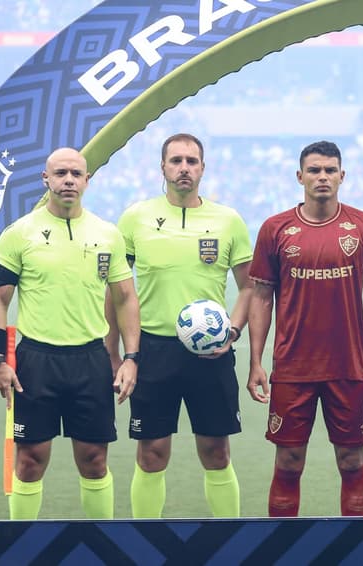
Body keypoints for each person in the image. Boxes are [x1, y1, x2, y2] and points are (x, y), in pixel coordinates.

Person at [0, 147, 140, 520]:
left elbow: (126, 298)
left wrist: (131, 358)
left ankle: (104, 541)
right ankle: (19, 546)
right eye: (61, 173)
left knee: (94, 459)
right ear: (46, 179)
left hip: (91, 360)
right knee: (31, 460)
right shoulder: (20, 233)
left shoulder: (107, 234)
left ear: (87, 180)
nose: (68, 180)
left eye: (76, 174)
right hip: (37, 360)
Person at [247, 140, 363, 517]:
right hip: (293, 369)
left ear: (342, 176)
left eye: (330, 170)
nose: (322, 177)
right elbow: (261, 297)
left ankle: (357, 549)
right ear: (300, 177)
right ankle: (281, 549)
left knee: (350, 459)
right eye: (314, 170)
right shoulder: (274, 229)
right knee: (289, 461)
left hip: (347, 367)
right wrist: (255, 362)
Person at [108, 133, 253, 518]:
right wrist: (118, 354)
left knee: (216, 451)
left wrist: (233, 332)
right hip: (154, 351)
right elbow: (117, 294)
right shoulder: (136, 218)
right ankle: (144, 541)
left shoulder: (228, 220)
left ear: (203, 168)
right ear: (163, 168)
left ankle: (229, 539)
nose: (184, 168)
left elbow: (251, 287)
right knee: (152, 452)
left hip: (212, 353)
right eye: (176, 161)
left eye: (191, 161)